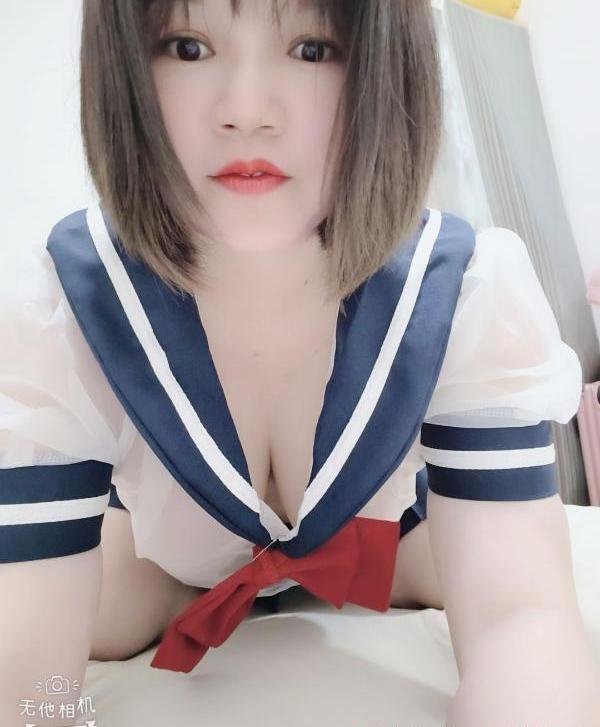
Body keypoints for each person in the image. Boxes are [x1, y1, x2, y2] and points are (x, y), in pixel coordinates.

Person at [2, 0, 598, 724]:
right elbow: (26, 688)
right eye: (188, 47)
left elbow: (521, 616)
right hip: (162, 557)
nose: (247, 111)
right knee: (101, 611)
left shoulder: (458, 292)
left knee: (473, 570)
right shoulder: (66, 309)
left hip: (392, 540)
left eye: (312, 49)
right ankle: (193, 587)